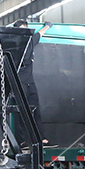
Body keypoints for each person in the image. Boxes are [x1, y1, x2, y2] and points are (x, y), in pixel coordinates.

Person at [13, 19, 55, 148]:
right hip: (19, 83)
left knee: (36, 110)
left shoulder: (31, 41)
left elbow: (39, 33)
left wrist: (47, 26)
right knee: (21, 112)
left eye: (25, 30)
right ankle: (22, 141)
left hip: (30, 83)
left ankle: (41, 139)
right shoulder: (13, 46)